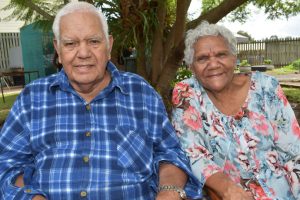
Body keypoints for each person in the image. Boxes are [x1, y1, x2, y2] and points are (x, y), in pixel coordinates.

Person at [0, 2, 202, 199]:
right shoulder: (32, 99)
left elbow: (170, 154)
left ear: (109, 45)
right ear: (58, 50)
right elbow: (7, 164)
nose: (84, 53)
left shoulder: (141, 93)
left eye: (94, 41)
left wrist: (169, 191)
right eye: (71, 43)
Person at [171, 21, 300, 200]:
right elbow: (192, 153)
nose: (213, 64)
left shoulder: (266, 87)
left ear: (234, 58)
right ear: (191, 66)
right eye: (202, 58)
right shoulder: (187, 93)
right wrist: (227, 189)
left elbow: (294, 153)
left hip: (282, 191)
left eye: (221, 55)